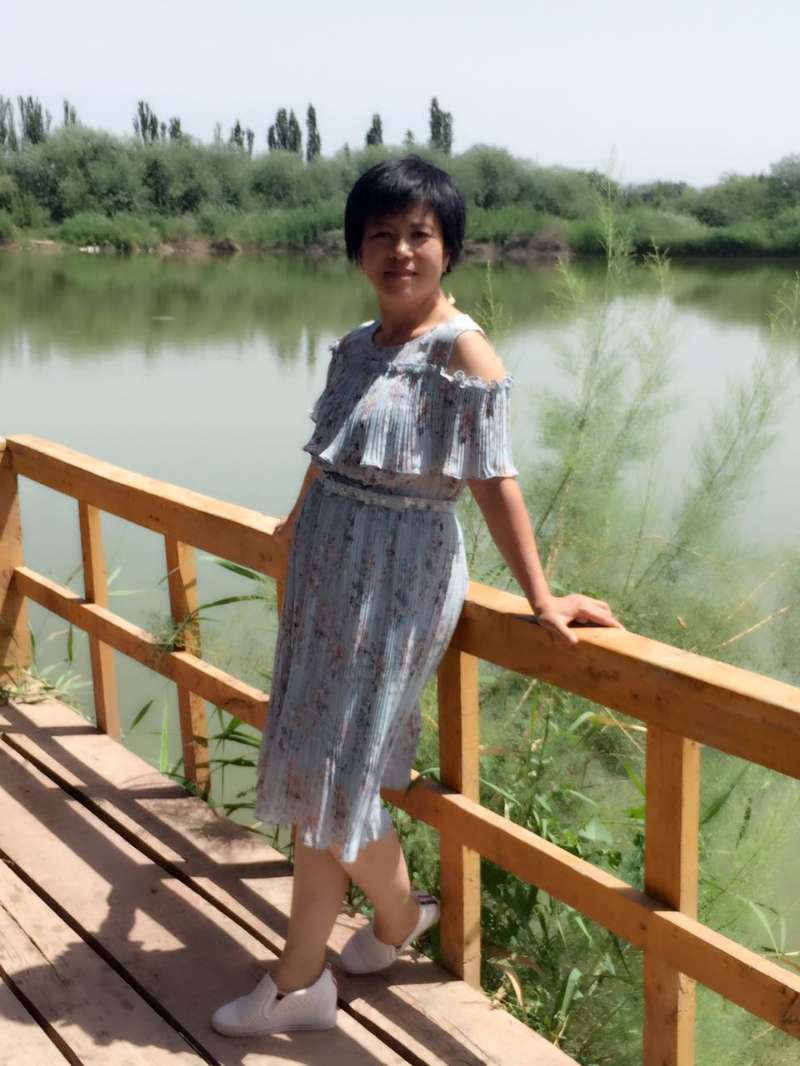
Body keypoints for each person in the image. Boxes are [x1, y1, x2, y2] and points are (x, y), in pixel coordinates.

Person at [211, 155, 625, 1037]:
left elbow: (494, 481)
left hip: (400, 578)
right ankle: (395, 923)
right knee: (316, 766)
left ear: (449, 249)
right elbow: (329, 453)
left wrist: (542, 597)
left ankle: (305, 978)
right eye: (381, 235)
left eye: (418, 235)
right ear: (357, 248)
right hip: (326, 570)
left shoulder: (462, 351)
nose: (400, 250)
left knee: (339, 774)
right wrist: (294, 527)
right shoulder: (358, 346)